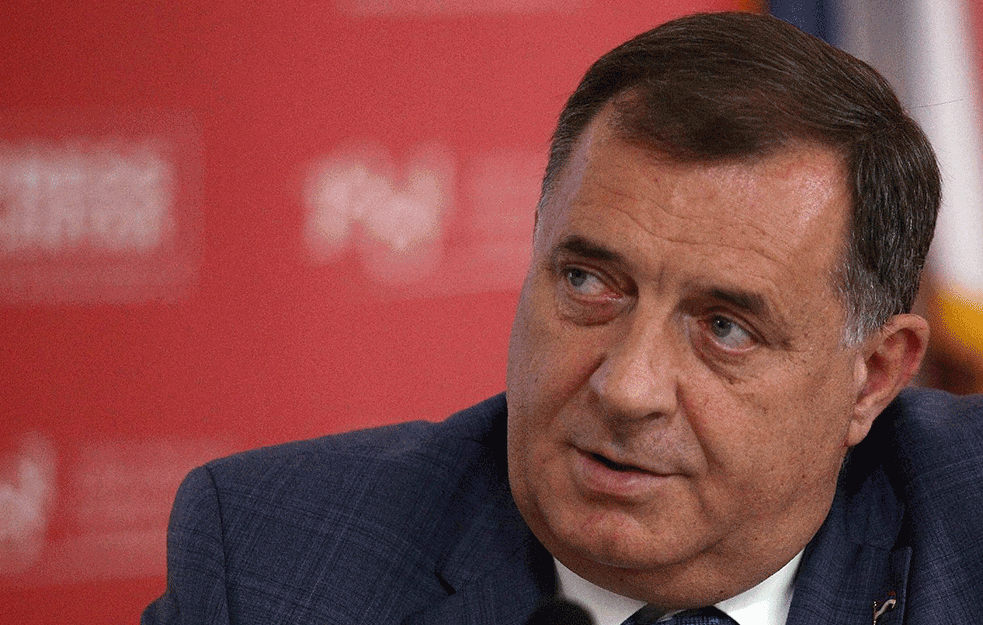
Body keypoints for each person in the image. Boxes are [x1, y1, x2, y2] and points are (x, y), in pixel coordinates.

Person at [143, 11, 983, 625]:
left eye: (724, 327)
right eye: (588, 282)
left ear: (871, 376)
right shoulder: (277, 563)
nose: (626, 388)